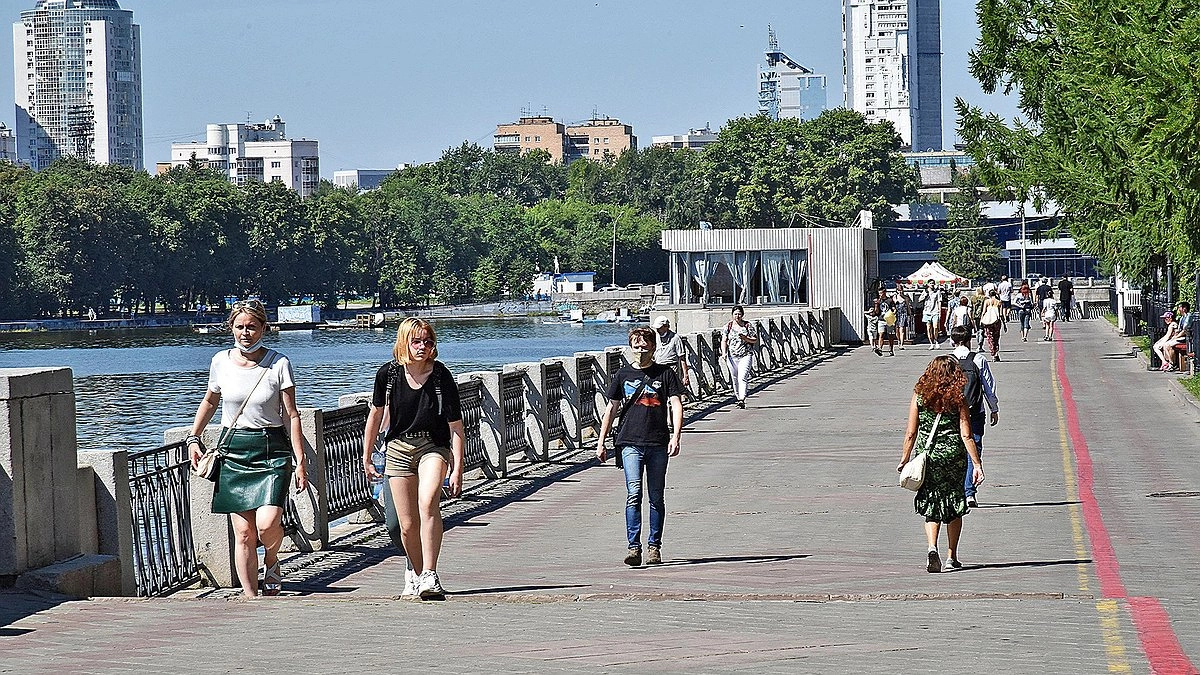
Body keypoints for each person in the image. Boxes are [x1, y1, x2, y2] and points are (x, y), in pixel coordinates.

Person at [186, 300, 308, 598]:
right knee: (243, 533)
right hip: (235, 451)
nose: (245, 333)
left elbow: (291, 415)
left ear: (264, 328)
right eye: (239, 327)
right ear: (231, 328)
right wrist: (193, 437)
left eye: (252, 327)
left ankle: (272, 559)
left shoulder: (279, 363)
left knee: (266, 526)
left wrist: (300, 461)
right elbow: (210, 402)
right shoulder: (220, 362)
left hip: (272, 450)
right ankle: (251, 599)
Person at [362, 318, 465, 600]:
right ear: (404, 343)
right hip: (397, 448)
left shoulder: (441, 376)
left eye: (428, 341)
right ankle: (417, 573)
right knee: (405, 525)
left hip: (433, 446)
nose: (423, 347)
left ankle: (431, 574)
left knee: (428, 500)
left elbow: (456, 427)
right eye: (416, 341)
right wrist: (367, 455)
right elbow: (375, 415)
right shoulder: (389, 375)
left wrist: (457, 469)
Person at [596, 327, 684, 567]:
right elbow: (611, 409)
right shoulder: (622, 374)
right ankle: (633, 547)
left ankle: (654, 547)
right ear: (630, 347)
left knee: (656, 497)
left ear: (654, 347)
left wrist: (676, 436)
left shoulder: (666, 374)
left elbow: (676, 405)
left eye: (645, 345)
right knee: (633, 494)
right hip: (629, 442)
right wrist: (601, 441)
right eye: (636, 345)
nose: (640, 349)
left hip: (657, 442)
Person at [896, 355, 985, 572]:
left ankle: (931, 548)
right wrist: (977, 464)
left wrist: (904, 459)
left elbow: (911, 432)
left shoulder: (919, 396)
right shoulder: (958, 398)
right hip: (953, 458)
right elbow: (966, 435)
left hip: (929, 457)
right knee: (955, 504)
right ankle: (951, 556)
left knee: (931, 504)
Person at [949, 325, 999, 509]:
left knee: (954, 451)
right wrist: (994, 408)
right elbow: (988, 387)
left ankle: (955, 490)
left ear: (952, 341)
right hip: (975, 412)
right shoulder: (978, 359)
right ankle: (969, 492)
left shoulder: (947, 361)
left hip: (952, 412)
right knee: (974, 448)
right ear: (970, 340)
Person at [721, 305, 760, 407]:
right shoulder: (728, 327)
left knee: (742, 377)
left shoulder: (747, 326)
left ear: (742, 315)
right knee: (734, 378)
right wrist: (724, 353)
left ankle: (742, 398)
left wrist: (745, 338)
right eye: (735, 314)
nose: (737, 316)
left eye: (739, 314)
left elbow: (755, 339)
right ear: (732, 315)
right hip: (732, 356)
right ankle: (738, 397)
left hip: (745, 354)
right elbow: (724, 340)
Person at [652, 316, 691, 391]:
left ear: (666, 326)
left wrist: (685, 375)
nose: (657, 330)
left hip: (671, 367)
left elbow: (682, 358)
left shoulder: (675, 338)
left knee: (672, 389)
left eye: (659, 328)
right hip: (658, 367)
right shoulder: (656, 337)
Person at [979, 289, 1004, 360]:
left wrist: (982, 320)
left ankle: (992, 354)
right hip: (996, 321)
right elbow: (1001, 314)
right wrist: (1004, 324)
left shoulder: (987, 301)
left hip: (988, 322)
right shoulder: (999, 302)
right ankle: (996, 352)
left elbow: (984, 312)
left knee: (990, 337)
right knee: (996, 338)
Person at [923, 285, 942, 350]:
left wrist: (940, 312)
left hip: (935, 311)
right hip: (927, 312)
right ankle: (931, 343)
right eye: (930, 283)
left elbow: (939, 302)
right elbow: (920, 299)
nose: (932, 285)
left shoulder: (937, 292)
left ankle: (936, 340)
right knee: (928, 328)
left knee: (935, 326)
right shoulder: (925, 291)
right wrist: (925, 294)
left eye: (933, 283)